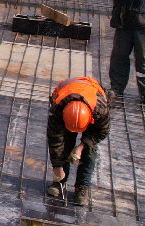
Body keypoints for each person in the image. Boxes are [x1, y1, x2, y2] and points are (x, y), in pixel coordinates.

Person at [46, 75, 111, 206]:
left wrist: (81, 146)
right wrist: (57, 166)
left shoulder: (100, 109)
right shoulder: (58, 108)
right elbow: (55, 139)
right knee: (65, 143)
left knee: (90, 152)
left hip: (91, 101)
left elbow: (102, 132)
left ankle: (82, 187)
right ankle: (60, 181)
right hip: (67, 97)